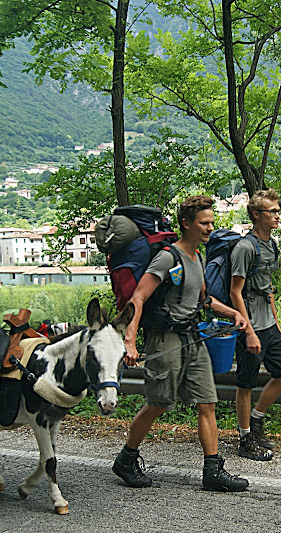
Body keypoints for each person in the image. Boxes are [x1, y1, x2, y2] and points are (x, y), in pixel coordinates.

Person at [112, 195, 250, 492]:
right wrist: (131, 340)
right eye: (204, 223)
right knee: (158, 403)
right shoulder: (167, 258)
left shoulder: (198, 258)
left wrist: (233, 313)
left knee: (207, 402)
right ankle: (126, 459)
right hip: (165, 339)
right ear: (186, 224)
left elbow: (204, 300)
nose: (210, 228)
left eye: (212, 222)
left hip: (192, 338)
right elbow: (139, 298)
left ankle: (213, 470)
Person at [230, 189, 281, 461]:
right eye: (273, 212)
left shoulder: (272, 244)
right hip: (250, 325)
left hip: (268, 323)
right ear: (256, 215)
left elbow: (268, 288)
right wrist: (249, 332)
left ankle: (256, 422)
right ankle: (245, 439)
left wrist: (276, 324)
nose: (278, 216)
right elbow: (235, 292)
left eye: (278, 211)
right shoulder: (246, 247)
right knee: (246, 384)